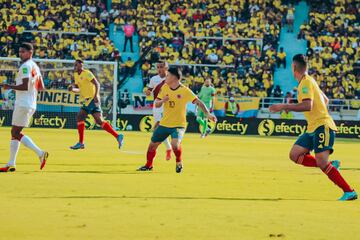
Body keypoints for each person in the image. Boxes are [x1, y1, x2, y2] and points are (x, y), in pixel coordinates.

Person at [269, 54, 357, 201]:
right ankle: (331, 166)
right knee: (295, 154)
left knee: (322, 162)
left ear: (293, 67)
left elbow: (307, 105)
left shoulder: (305, 83)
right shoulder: (310, 81)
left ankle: (349, 191)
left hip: (322, 126)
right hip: (313, 127)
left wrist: (283, 106)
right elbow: (326, 100)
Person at [138, 67, 217, 173]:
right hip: (165, 124)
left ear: (174, 77)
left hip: (178, 125)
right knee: (152, 146)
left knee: (175, 145)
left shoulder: (184, 90)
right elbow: (156, 104)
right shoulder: (164, 87)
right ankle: (148, 165)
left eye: (168, 75)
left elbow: (198, 102)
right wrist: (163, 101)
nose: (166, 77)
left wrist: (208, 114)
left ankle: (179, 162)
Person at [0, 42, 48, 172]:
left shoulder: (26, 66)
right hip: (30, 103)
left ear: (30, 52)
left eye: (23, 52)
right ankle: (11, 163)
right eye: (20, 52)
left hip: (23, 103)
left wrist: (9, 86)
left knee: (15, 132)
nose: (20, 54)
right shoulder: (35, 67)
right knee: (14, 132)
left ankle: (40, 153)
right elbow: (42, 87)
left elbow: (25, 86)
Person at [68, 59, 124, 150]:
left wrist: (96, 95)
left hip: (91, 99)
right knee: (99, 121)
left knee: (80, 116)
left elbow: (97, 84)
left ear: (81, 66)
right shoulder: (76, 75)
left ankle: (81, 142)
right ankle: (118, 136)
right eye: (74, 65)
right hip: (86, 100)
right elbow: (79, 89)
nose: (75, 66)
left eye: (76, 65)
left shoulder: (87, 73)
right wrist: (72, 90)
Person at [145, 60, 172, 160]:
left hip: (167, 106)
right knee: (158, 130)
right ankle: (169, 148)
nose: (160, 69)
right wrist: (147, 92)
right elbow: (149, 90)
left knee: (159, 128)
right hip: (156, 106)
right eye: (158, 67)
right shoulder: (153, 79)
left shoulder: (171, 78)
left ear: (166, 68)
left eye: (162, 67)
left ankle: (169, 147)